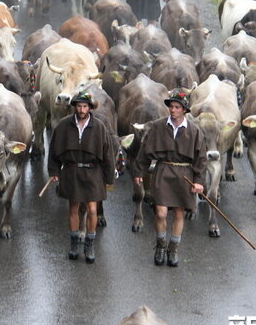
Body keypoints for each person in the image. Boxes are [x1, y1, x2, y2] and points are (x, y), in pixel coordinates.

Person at [131, 90, 206, 268]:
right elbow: (145, 151)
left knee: (179, 213)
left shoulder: (194, 131)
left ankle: (173, 249)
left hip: (184, 175)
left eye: (177, 107)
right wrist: (138, 172)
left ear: (185, 110)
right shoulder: (158, 126)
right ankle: (160, 245)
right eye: (171, 107)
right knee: (161, 213)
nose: (173, 110)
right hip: (163, 171)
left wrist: (199, 181)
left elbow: (201, 158)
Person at [47, 92, 115, 264]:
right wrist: (54, 171)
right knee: (73, 208)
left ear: (90, 108)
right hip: (72, 170)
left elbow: (108, 154)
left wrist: (109, 178)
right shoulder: (63, 126)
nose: (81, 109)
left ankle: (89, 244)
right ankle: (74, 243)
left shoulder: (99, 127)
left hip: (93, 172)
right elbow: (54, 150)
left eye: (85, 106)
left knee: (92, 209)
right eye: (78, 106)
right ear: (74, 107)